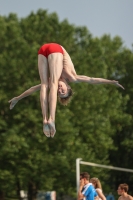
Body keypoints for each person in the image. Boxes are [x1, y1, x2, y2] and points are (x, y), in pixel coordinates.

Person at [8, 43, 125, 138]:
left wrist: (17, 98)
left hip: (43, 50)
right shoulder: (72, 77)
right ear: (68, 87)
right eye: (63, 91)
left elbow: (32, 89)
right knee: (52, 84)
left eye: (59, 93)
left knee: (45, 85)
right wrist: (111, 82)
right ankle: (52, 120)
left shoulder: (55, 79)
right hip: (56, 49)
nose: (60, 90)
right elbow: (92, 80)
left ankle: (44, 120)